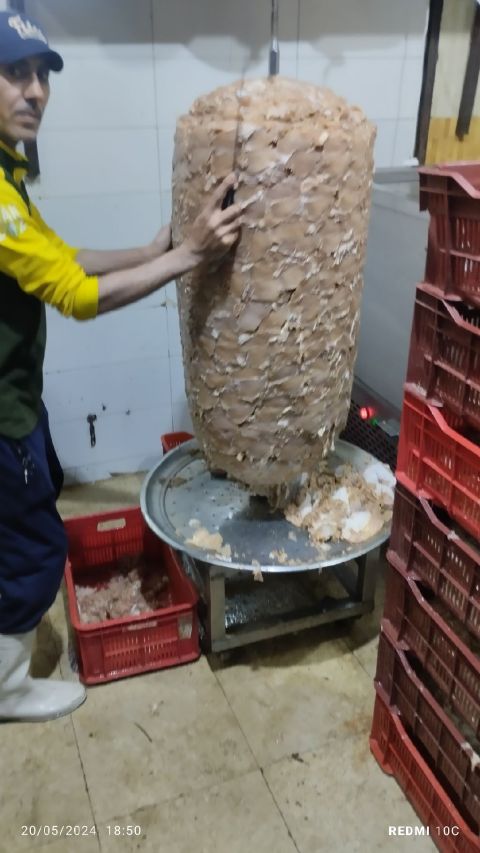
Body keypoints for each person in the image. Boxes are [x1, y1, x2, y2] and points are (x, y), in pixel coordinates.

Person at [0, 11, 242, 722]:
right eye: (14, 73)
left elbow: (60, 257)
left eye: (42, 75)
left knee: (20, 522)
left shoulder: (8, 174)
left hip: (17, 399)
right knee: (33, 547)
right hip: (2, 415)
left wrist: (149, 251)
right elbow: (76, 295)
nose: (35, 91)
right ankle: (7, 687)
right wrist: (190, 256)